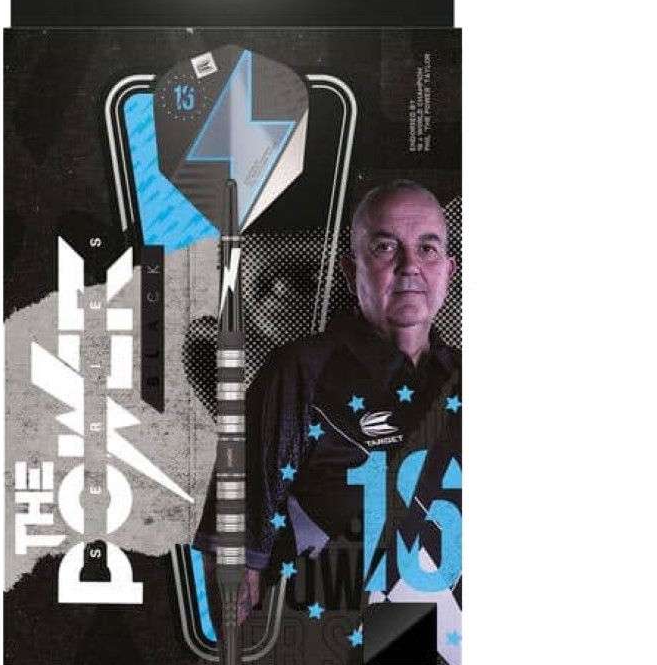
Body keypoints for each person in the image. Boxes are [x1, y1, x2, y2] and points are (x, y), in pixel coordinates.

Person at [195, 180, 461, 621]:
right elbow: (233, 558)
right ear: (350, 269)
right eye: (385, 248)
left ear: (448, 271)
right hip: (342, 644)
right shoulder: (299, 373)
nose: (410, 266)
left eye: (427, 249)